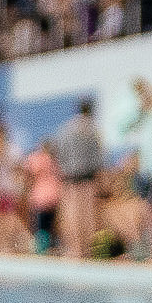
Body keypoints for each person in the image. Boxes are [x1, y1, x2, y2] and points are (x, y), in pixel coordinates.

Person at [50, 96, 103, 258]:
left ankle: (74, 247)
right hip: (88, 175)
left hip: (69, 175)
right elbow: (98, 156)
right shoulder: (92, 129)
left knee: (71, 212)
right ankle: (87, 248)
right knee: (87, 212)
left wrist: (64, 169)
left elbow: (59, 152)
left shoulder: (66, 129)